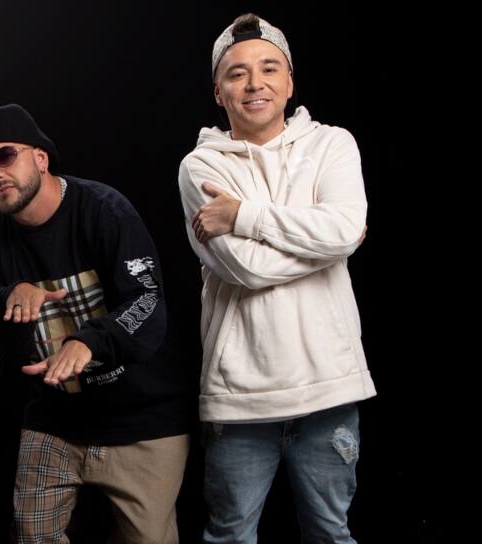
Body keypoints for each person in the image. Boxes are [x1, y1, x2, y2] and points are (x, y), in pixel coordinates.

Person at [177, 14, 376, 544]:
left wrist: (243, 215)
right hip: (240, 396)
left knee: (331, 534)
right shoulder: (200, 166)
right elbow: (246, 267)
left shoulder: (332, 145)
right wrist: (331, 245)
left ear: (289, 82)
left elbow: (342, 228)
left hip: (329, 385)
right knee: (231, 536)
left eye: (269, 68)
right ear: (218, 92)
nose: (254, 83)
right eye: (237, 73)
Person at [0, 103, 191, 544]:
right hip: (55, 417)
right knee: (31, 536)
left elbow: (147, 300)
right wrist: (10, 298)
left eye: (5, 156)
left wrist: (88, 343)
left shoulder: (103, 210)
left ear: (40, 157)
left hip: (141, 417)